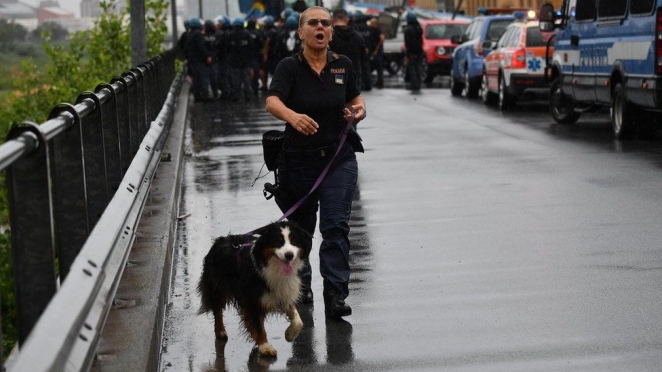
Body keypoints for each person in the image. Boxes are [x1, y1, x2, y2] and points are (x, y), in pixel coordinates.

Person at [265, 6, 367, 319]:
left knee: (335, 226)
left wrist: (358, 112)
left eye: (325, 23)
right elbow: (272, 101)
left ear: (331, 32)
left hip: (338, 160)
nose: (320, 27)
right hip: (298, 163)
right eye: (313, 23)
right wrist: (293, 117)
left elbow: (356, 100)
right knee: (300, 232)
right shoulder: (289, 67)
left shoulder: (342, 65)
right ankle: (302, 287)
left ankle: (336, 294)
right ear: (301, 32)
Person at [328, 8, 366, 92]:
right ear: (347, 19)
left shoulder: (328, 38)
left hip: (334, 76)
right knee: (353, 103)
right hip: (354, 75)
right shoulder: (358, 37)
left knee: (337, 103)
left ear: (332, 19)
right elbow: (364, 59)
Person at [227, 17, 254, 101]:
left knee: (236, 80)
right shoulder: (247, 34)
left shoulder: (230, 35)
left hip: (235, 62)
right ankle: (247, 96)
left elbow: (227, 49)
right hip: (245, 61)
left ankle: (236, 96)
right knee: (246, 79)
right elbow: (251, 48)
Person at [404, 12, 423, 91]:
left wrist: (410, 52)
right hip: (419, 50)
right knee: (418, 67)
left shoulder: (408, 29)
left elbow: (408, 42)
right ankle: (418, 84)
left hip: (412, 51)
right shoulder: (419, 28)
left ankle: (414, 84)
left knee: (412, 68)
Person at [369, 18, 385, 89]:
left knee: (379, 67)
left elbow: (382, 38)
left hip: (378, 52)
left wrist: (377, 49)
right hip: (374, 51)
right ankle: (377, 81)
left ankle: (380, 82)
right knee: (374, 66)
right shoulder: (371, 30)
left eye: (371, 23)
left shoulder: (378, 30)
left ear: (375, 24)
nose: (370, 24)